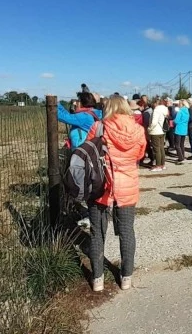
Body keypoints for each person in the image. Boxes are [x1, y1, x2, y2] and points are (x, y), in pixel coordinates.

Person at [85, 95, 147, 292]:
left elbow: (87, 152)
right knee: (127, 231)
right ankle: (126, 277)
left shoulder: (99, 127)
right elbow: (139, 155)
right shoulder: (138, 130)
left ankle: (97, 279)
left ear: (108, 107)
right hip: (127, 185)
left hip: (101, 186)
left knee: (97, 232)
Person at [147, 97, 169, 172]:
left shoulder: (156, 110)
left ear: (155, 103)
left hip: (155, 131)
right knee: (161, 148)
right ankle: (162, 164)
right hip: (161, 131)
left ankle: (158, 165)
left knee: (156, 149)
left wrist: (149, 129)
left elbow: (154, 122)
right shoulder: (164, 109)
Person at [173, 99, 190, 164]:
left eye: (179, 103)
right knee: (182, 144)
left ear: (182, 104)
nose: (178, 104)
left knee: (177, 145)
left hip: (179, 129)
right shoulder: (187, 111)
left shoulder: (180, 111)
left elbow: (176, 121)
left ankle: (181, 158)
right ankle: (183, 156)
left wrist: (173, 121)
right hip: (184, 129)